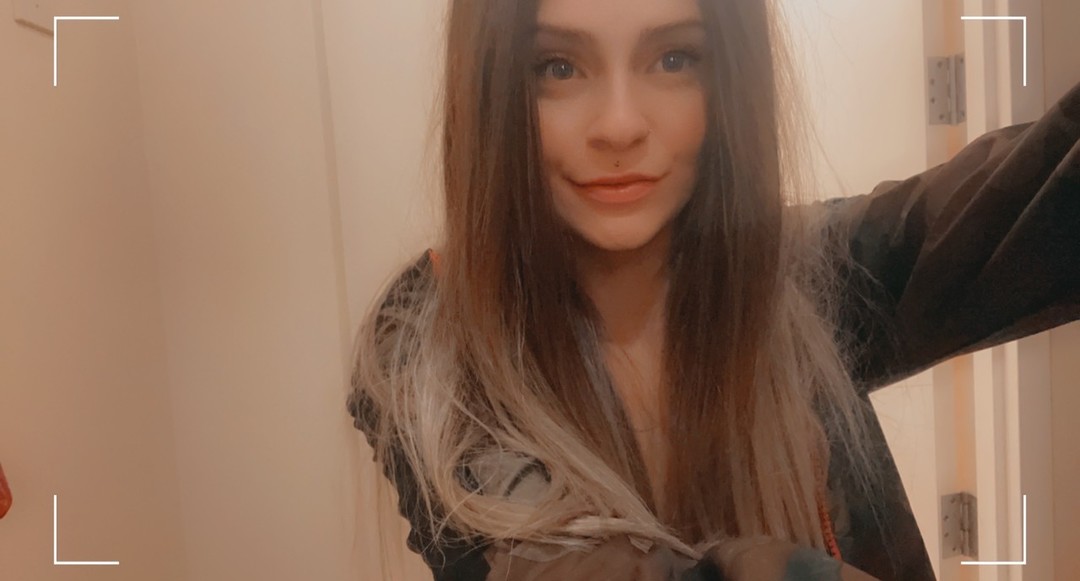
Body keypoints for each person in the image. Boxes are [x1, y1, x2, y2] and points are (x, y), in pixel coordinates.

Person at [346, 0, 1080, 579]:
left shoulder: (793, 278)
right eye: (557, 67)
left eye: (675, 58)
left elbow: (1033, 205)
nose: (620, 125)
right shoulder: (426, 337)